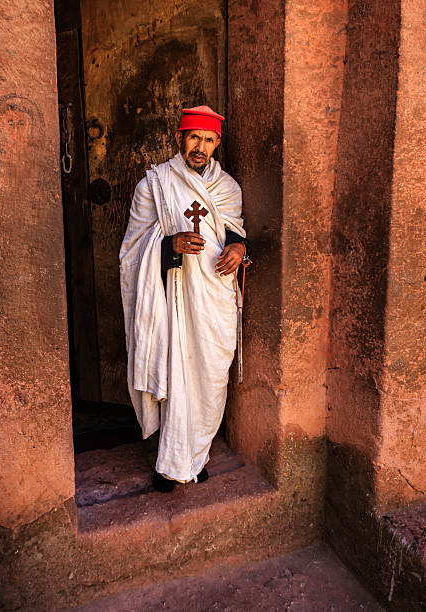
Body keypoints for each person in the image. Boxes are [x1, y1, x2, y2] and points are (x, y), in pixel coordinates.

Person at [120, 105, 250, 493]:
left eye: (209, 140)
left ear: (217, 144)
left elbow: (234, 232)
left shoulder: (227, 188)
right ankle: (172, 463)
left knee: (210, 375)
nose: (201, 147)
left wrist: (239, 249)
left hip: (213, 297)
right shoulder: (155, 185)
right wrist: (169, 244)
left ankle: (197, 455)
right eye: (194, 137)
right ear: (179, 139)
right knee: (177, 371)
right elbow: (131, 253)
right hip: (171, 298)